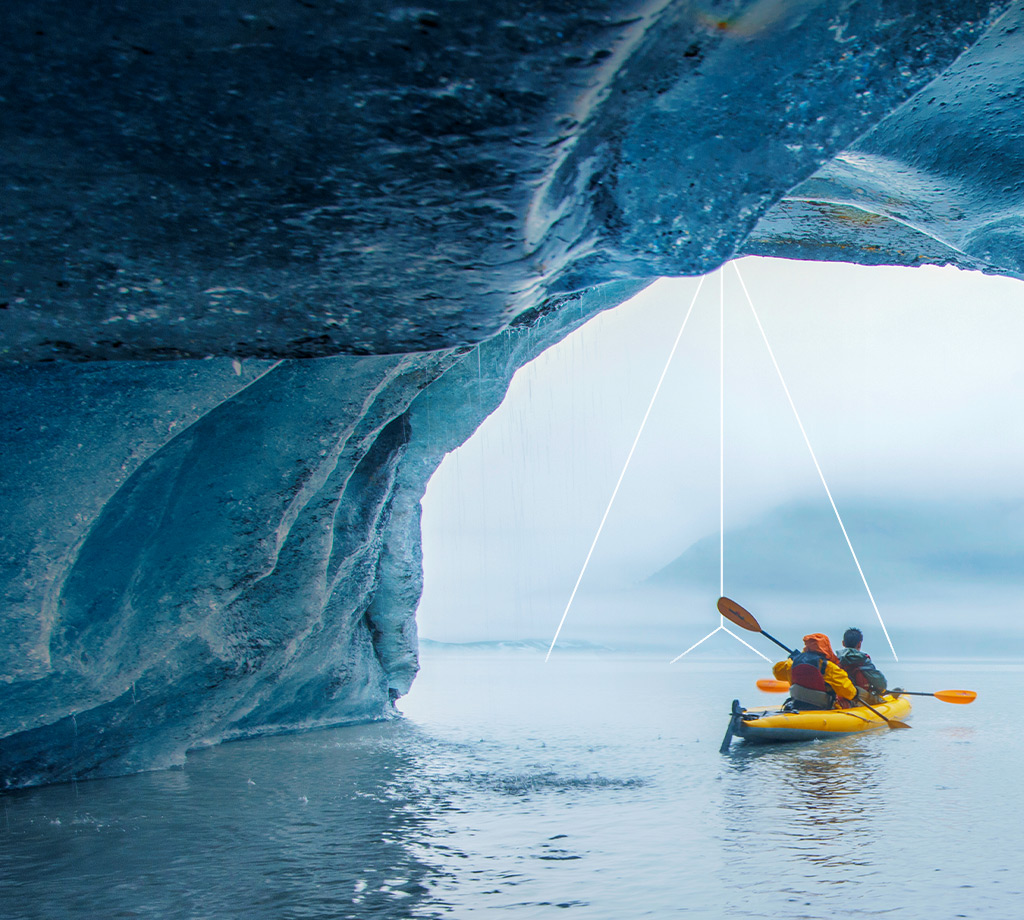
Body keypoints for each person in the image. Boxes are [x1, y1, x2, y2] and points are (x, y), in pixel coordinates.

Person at [773, 633, 856, 711]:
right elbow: (850, 693)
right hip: (822, 707)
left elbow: (777, 672)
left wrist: (793, 658)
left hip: (797, 704)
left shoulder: (792, 664)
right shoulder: (829, 667)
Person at [838, 627, 887, 703]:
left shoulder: (836, 659)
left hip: (841, 700)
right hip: (860, 699)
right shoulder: (863, 660)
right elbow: (881, 683)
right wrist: (879, 690)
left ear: (843, 643)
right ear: (859, 644)